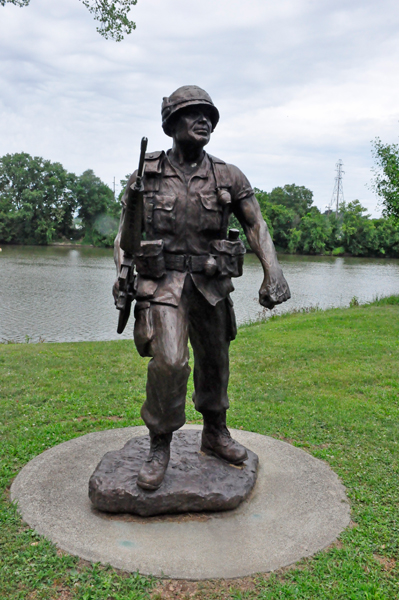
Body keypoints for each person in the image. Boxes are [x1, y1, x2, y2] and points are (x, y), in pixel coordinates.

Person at [114, 85, 290, 490]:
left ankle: (215, 432)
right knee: (170, 363)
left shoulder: (227, 174)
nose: (204, 121)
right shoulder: (147, 173)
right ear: (172, 124)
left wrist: (273, 272)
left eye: (209, 115)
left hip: (211, 282)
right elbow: (125, 239)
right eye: (193, 114)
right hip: (164, 283)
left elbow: (255, 224)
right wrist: (122, 272)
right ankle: (160, 443)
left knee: (215, 360)